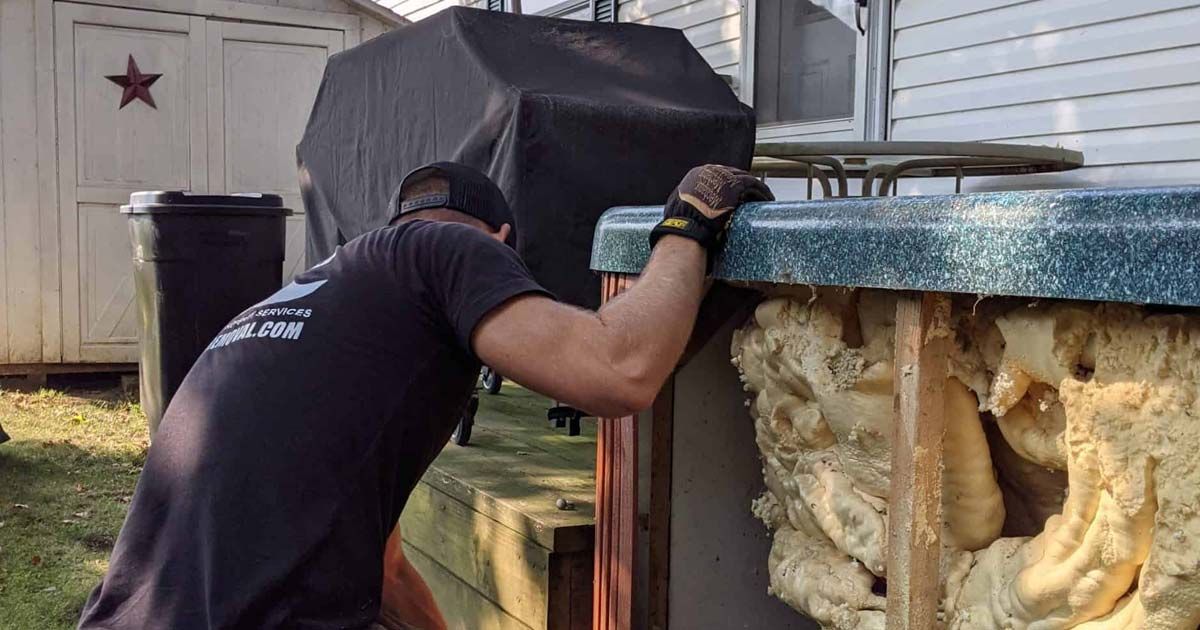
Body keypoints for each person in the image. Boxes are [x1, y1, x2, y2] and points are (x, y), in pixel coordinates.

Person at [77, 161, 773, 630]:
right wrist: (689, 222)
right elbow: (621, 370)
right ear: (502, 242)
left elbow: (384, 575)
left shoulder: (323, 295)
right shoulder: (446, 252)